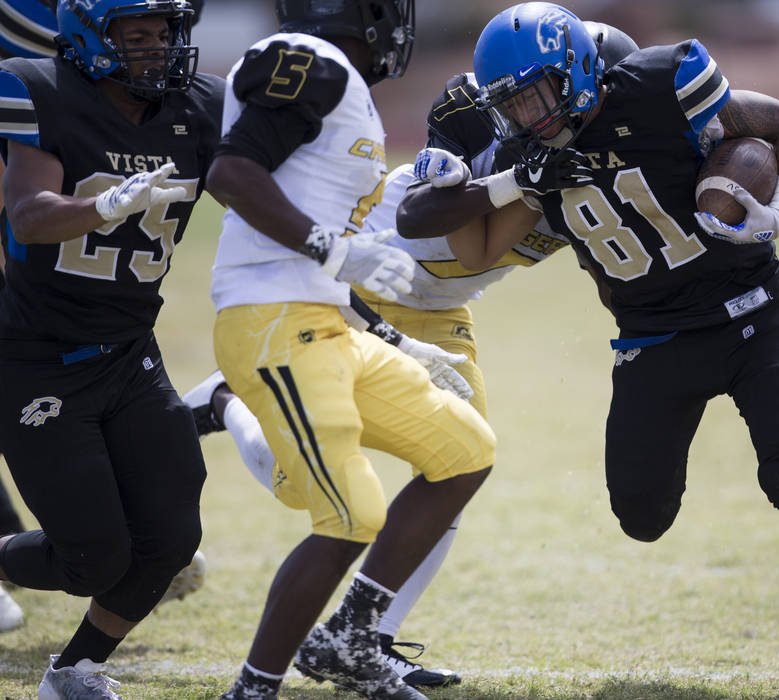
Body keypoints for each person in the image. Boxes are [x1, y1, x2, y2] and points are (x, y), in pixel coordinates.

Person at [395, 2, 779, 696]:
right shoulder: (533, 157)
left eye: (535, 96)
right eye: (511, 107)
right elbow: (480, 246)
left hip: (750, 314)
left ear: (573, 69)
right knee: (642, 517)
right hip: (652, 340)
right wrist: (470, 181)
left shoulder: (663, 85)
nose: (527, 118)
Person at [176, 19, 639, 689]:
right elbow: (435, 219)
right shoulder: (495, 115)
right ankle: (224, 399)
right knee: (302, 482)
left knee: (458, 458)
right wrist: (517, 176)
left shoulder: (592, 163)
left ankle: (363, 636)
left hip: (443, 305)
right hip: (372, 271)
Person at [203, 1, 494, 698]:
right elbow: (231, 174)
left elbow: (323, 243)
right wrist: (331, 248)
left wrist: (391, 336)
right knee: (352, 513)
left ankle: (352, 636)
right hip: (271, 315)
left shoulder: (346, 86)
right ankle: (253, 690)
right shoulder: (313, 61)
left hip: (321, 320)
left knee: (464, 450)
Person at [0, 0, 223, 697]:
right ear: (92, 40)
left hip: (130, 351)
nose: (158, 48)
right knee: (94, 558)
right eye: (138, 35)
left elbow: (260, 177)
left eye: (165, 33)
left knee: (170, 539)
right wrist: (99, 207)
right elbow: (29, 214)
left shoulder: (198, 105)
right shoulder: (38, 88)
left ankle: (75, 670)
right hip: (38, 357)